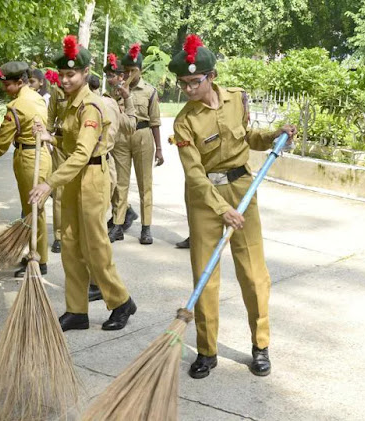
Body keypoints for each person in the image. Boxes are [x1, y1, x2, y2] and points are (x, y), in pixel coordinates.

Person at [167, 35, 296, 379]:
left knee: (253, 273)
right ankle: (207, 351)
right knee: (205, 276)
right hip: (204, 198)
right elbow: (194, 173)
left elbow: (248, 136)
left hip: (242, 190)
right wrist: (219, 208)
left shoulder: (237, 98)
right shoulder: (184, 121)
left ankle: (260, 346)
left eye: (195, 81)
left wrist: (273, 136)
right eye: (183, 83)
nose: (188, 89)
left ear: (212, 76)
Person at [29, 35, 136, 332]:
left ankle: (121, 302)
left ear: (86, 72)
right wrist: (51, 137)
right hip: (74, 176)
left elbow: (82, 153)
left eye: (71, 74)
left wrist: (49, 184)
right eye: (62, 74)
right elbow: (69, 139)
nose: (64, 80)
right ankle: (77, 310)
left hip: (91, 177)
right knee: (70, 244)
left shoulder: (90, 106)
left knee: (95, 246)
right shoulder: (70, 103)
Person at [0, 61, 52, 277]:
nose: (4, 89)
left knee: (33, 212)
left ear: (20, 82)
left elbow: (1, 142)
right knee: (35, 210)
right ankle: (36, 254)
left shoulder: (17, 106)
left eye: (7, 85)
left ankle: (38, 260)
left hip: (29, 159)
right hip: (42, 155)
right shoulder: (37, 98)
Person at [86, 72, 137, 302]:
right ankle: (95, 281)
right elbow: (131, 124)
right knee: (89, 233)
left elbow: (130, 126)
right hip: (104, 167)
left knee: (95, 233)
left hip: (97, 169)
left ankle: (104, 286)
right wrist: (127, 100)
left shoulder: (101, 104)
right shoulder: (109, 102)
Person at [111, 43, 163, 244]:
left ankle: (146, 227)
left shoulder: (149, 91)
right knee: (120, 183)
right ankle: (118, 224)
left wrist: (159, 149)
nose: (129, 74)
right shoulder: (117, 90)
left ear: (140, 70)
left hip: (143, 135)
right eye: (125, 71)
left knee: (144, 183)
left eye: (133, 70)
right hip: (122, 137)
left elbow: (155, 121)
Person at [102, 53, 139, 240]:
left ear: (121, 76)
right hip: (110, 145)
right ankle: (126, 212)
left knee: (120, 185)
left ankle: (118, 223)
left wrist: (126, 100)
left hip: (125, 142)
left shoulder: (130, 95)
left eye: (112, 76)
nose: (109, 79)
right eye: (107, 76)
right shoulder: (108, 96)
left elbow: (132, 124)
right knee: (113, 186)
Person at [45, 69, 67, 253]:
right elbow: (50, 118)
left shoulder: (87, 92)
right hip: (60, 144)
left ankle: (77, 233)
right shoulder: (56, 92)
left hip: (81, 145)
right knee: (59, 192)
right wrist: (46, 140)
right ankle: (59, 236)